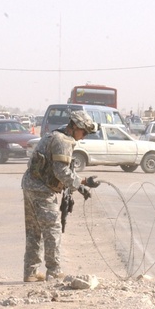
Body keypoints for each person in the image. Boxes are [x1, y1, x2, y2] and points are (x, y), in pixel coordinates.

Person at [21, 111, 101, 282]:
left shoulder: (53, 135)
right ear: (74, 127)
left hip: (30, 185)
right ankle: (54, 271)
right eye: (84, 132)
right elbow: (61, 171)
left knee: (34, 231)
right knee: (52, 229)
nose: (84, 136)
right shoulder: (63, 141)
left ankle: (31, 272)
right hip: (42, 190)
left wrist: (78, 187)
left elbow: (56, 168)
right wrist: (84, 182)